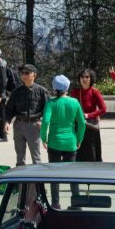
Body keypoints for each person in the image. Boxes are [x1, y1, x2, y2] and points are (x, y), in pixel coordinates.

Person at [42, 75, 86, 207]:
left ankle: (56, 203)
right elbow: (82, 123)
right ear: (67, 87)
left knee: (54, 175)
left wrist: (44, 138)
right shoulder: (74, 102)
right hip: (70, 142)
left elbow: (45, 121)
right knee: (72, 175)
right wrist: (79, 139)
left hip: (54, 142)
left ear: (54, 88)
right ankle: (76, 203)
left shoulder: (51, 103)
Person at [3, 64, 48, 166]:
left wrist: (42, 121)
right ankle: (21, 182)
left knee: (36, 158)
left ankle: (37, 181)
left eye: (27, 73)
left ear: (34, 75)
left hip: (34, 126)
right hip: (19, 125)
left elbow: (48, 109)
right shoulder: (16, 92)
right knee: (20, 159)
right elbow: (9, 109)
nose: (24, 75)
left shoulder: (42, 91)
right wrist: (7, 122)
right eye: (22, 73)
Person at [70, 68, 106, 162]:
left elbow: (103, 109)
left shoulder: (95, 92)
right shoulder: (75, 92)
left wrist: (88, 115)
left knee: (91, 152)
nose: (84, 79)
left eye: (87, 77)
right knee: (78, 150)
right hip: (77, 126)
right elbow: (70, 108)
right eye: (82, 77)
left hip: (90, 127)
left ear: (91, 79)